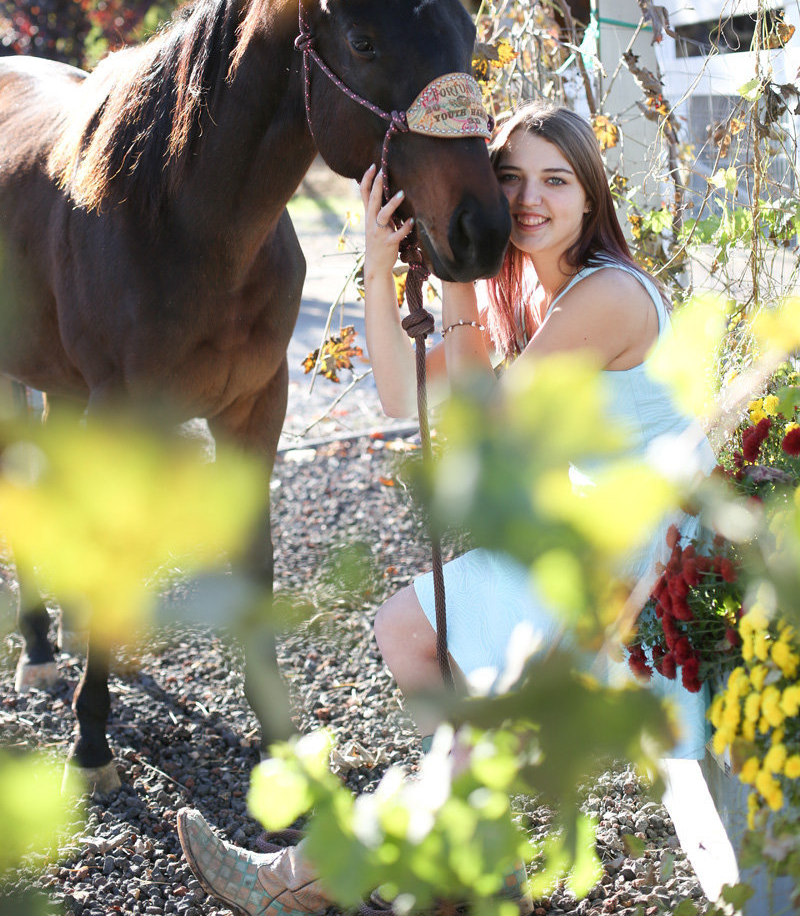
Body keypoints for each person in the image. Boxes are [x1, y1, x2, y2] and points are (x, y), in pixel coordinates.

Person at [177, 102, 719, 913]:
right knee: (405, 627)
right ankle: (472, 853)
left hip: (645, 559)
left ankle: (298, 882)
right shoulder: (537, 296)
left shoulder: (606, 298)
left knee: (477, 731)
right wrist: (376, 258)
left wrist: (460, 278)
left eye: (555, 181)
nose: (530, 199)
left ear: (590, 198)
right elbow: (404, 394)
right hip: (585, 538)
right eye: (511, 180)